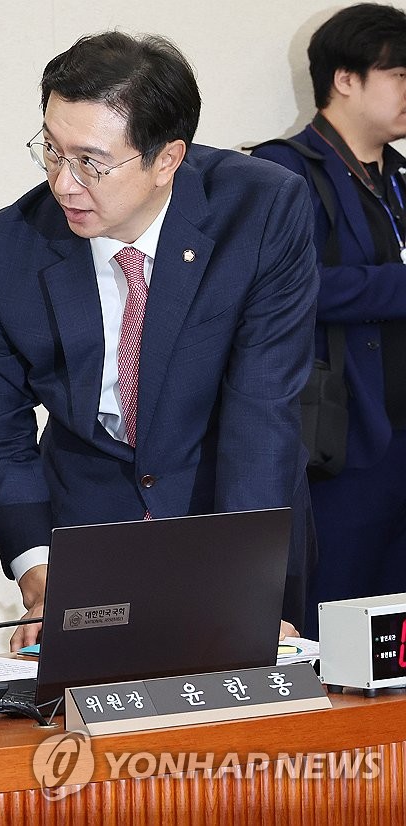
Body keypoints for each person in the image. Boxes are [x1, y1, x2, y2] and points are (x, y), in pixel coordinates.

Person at [0, 32, 318, 648]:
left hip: (228, 508)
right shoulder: (6, 248)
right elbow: (1, 437)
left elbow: (263, 411)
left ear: (167, 159)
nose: (64, 184)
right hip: (88, 528)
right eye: (51, 150)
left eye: (90, 161)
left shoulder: (259, 210)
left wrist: (244, 584)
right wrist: (40, 571)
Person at [251, 3, 406, 637]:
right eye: (400, 75)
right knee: (336, 617)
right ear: (346, 78)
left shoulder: (398, 178)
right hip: (340, 440)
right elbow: (293, 287)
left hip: (400, 433)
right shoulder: (283, 170)